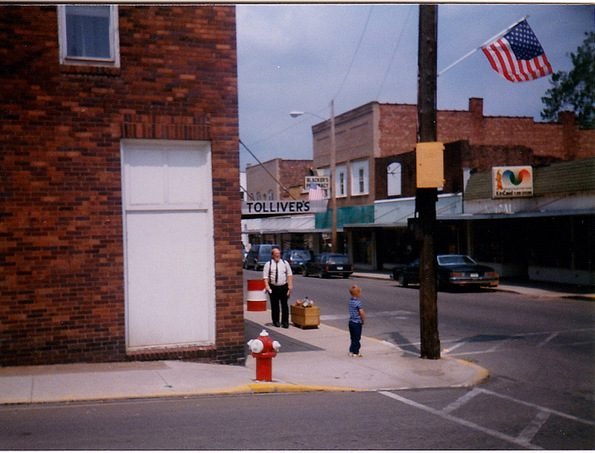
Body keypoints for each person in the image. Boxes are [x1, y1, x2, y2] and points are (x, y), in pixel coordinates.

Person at [263, 247, 293, 328]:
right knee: (275, 305)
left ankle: (285, 322)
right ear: (272, 255)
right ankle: (276, 321)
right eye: (276, 254)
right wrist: (267, 286)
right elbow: (265, 277)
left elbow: (289, 275)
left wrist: (290, 286)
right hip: (273, 287)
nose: (277, 256)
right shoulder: (268, 264)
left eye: (279, 254)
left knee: (284, 305)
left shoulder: (285, 263)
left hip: (283, 286)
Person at [348, 284, 366, 357]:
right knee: (357, 338)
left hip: (351, 322)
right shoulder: (358, 302)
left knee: (352, 337)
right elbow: (361, 312)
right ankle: (356, 352)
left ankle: (351, 351)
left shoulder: (350, 301)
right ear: (358, 293)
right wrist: (363, 320)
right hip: (357, 323)